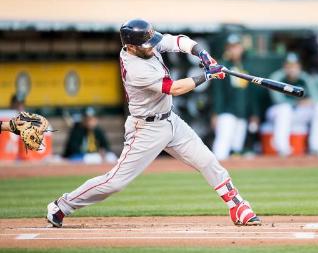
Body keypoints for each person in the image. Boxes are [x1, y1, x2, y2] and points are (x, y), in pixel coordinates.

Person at [46, 19, 261, 228]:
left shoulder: (145, 43)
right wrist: (206, 75)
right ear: (130, 46)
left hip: (170, 120)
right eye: (146, 45)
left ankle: (238, 206)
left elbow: (177, 41)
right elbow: (174, 88)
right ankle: (62, 206)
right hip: (146, 128)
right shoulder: (135, 69)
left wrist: (202, 54)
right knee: (115, 182)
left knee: (207, 161)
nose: (152, 47)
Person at [266, 53, 318, 158]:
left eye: (294, 66)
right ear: (284, 66)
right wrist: (298, 103)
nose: (292, 69)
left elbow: (317, 98)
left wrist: (308, 102)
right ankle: (283, 149)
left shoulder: (304, 78)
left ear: (299, 66)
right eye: (289, 66)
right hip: (276, 114)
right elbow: (278, 100)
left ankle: (316, 147)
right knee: (284, 109)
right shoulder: (277, 77)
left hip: (298, 113)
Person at [211, 34, 253, 160]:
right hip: (226, 112)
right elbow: (218, 92)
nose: (233, 50)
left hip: (242, 113)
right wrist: (215, 113)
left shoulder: (246, 66)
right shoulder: (222, 67)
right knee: (222, 146)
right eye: (230, 47)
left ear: (241, 48)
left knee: (237, 149)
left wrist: (253, 113)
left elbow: (250, 94)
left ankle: (231, 178)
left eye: (236, 47)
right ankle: (215, 175)